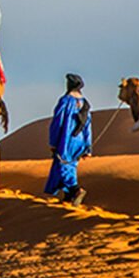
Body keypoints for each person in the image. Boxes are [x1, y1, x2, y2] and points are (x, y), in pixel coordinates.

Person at [42, 74, 92, 206]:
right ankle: (68, 197)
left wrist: (53, 142)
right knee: (71, 166)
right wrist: (88, 146)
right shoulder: (85, 103)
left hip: (66, 139)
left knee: (63, 165)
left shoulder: (65, 101)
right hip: (80, 140)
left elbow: (57, 122)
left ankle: (75, 190)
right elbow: (87, 125)